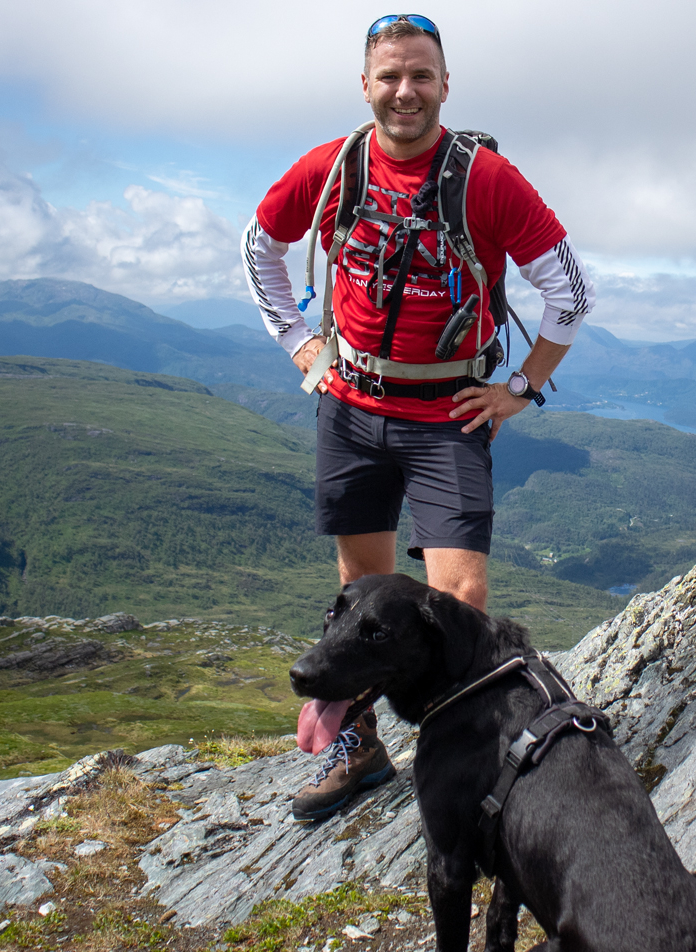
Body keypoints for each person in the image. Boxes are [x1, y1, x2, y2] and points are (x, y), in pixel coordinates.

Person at [242, 13, 592, 822]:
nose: (406, 91)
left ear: (445, 84)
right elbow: (258, 245)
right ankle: (356, 750)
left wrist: (523, 387)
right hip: (351, 406)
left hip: (446, 415)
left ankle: (464, 760)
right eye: (390, 76)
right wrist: (302, 347)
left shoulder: (486, 181)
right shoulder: (332, 170)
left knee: (459, 601)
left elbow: (570, 290)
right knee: (359, 595)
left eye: (421, 75)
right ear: (365, 84)